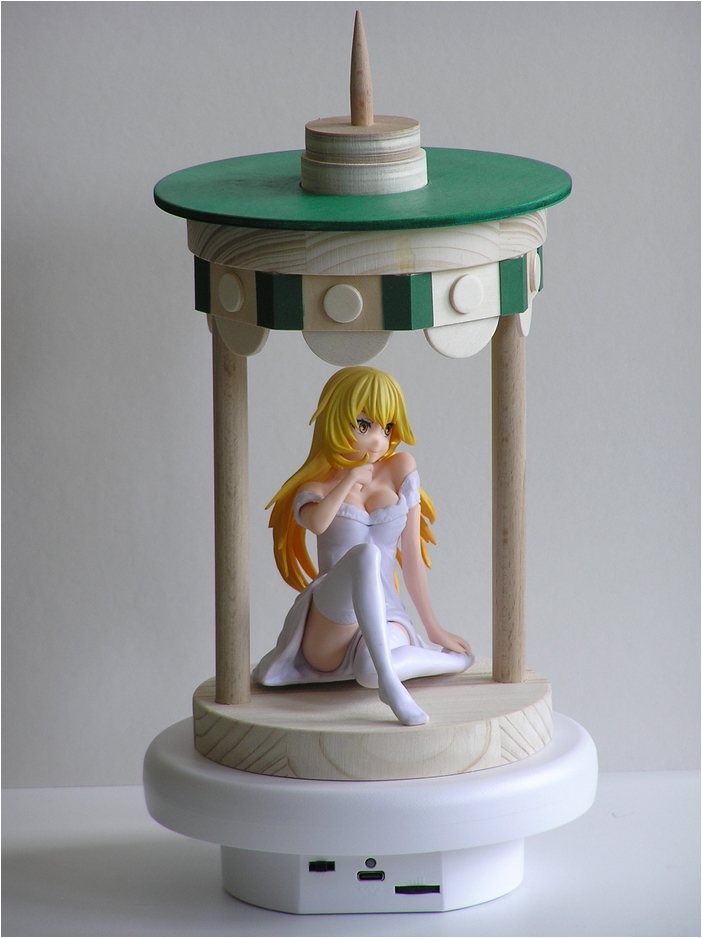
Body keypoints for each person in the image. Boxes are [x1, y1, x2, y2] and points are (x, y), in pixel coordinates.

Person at [253, 366, 474, 725]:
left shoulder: (400, 469)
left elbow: (412, 560)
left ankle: (442, 664)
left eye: (386, 428)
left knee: (368, 672)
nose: (378, 441)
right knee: (366, 555)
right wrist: (349, 480)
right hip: (332, 622)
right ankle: (391, 681)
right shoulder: (317, 488)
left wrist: (434, 629)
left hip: (387, 615)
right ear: (336, 421)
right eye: (364, 425)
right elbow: (317, 523)